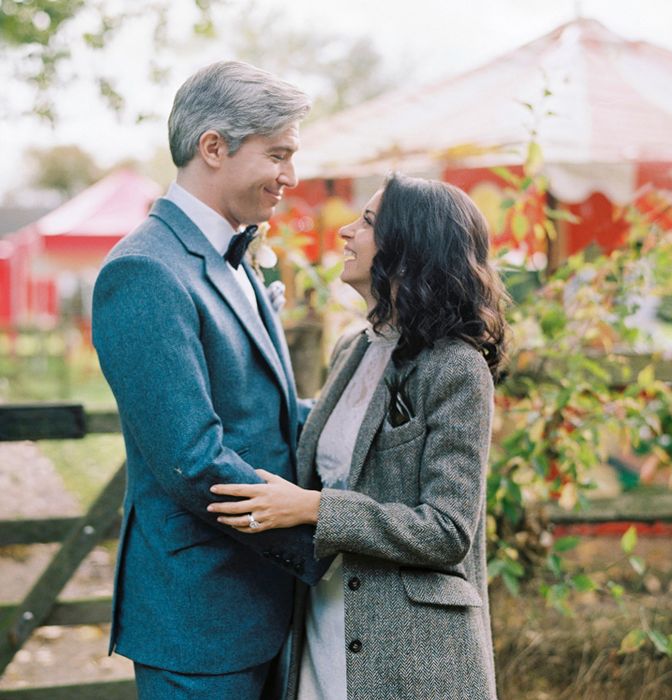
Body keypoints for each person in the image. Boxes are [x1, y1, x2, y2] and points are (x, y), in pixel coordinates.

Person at [209, 173, 507, 699]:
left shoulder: (457, 368)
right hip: (323, 618)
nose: (346, 231)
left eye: (367, 222)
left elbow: (448, 530)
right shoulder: (353, 348)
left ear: (411, 247)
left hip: (412, 656)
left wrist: (314, 509)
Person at [92, 61, 328, 699]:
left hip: (267, 605)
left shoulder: (236, 255)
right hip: (198, 619)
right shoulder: (144, 271)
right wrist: (324, 536)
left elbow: (267, 415)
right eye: (277, 154)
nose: (291, 177)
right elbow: (193, 459)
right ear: (214, 147)